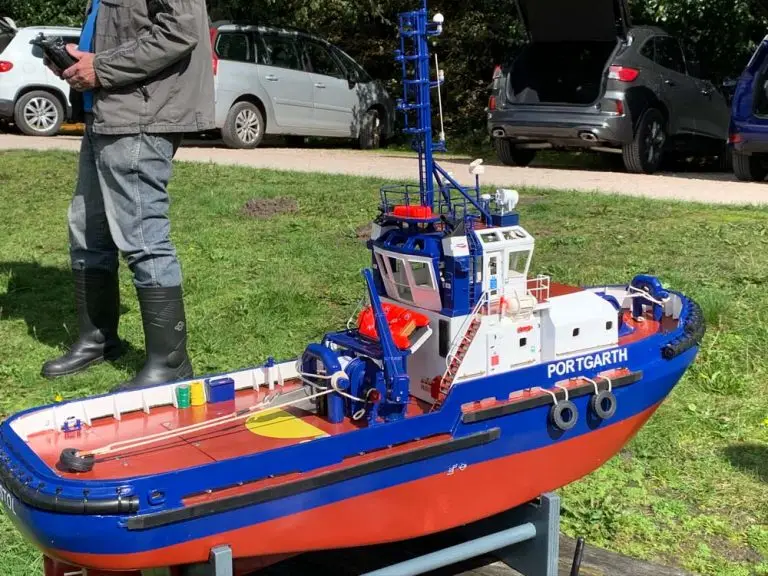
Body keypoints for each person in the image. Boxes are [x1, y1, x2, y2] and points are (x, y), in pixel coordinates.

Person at [41, 0, 214, 389]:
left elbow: (180, 29)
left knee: (143, 237)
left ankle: (170, 363)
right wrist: (77, 61)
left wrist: (100, 67)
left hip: (141, 115)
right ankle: (97, 340)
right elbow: (121, 29)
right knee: (87, 230)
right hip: (104, 110)